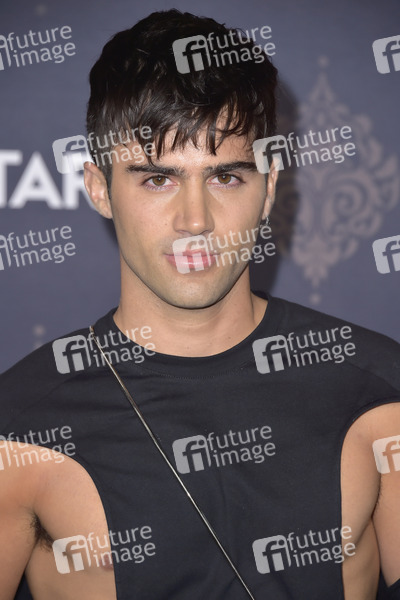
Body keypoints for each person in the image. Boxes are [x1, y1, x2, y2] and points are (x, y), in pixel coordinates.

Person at [0, 9, 399, 600]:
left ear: (269, 187)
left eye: (226, 177)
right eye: (157, 179)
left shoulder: (379, 395)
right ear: (98, 188)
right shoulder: (19, 431)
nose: (195, 221)